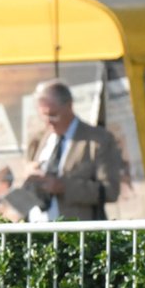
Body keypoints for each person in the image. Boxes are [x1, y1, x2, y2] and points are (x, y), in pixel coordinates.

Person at [22, 80, 120, 221]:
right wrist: (28, 177)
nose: (48, 121)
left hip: (76, 234)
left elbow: (110, 191)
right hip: (37, 231)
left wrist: (63, 187)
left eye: (53, 114)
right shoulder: (38, 140)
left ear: (69, 106)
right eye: (43, 115)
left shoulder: (97, 140)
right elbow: (26, 193)